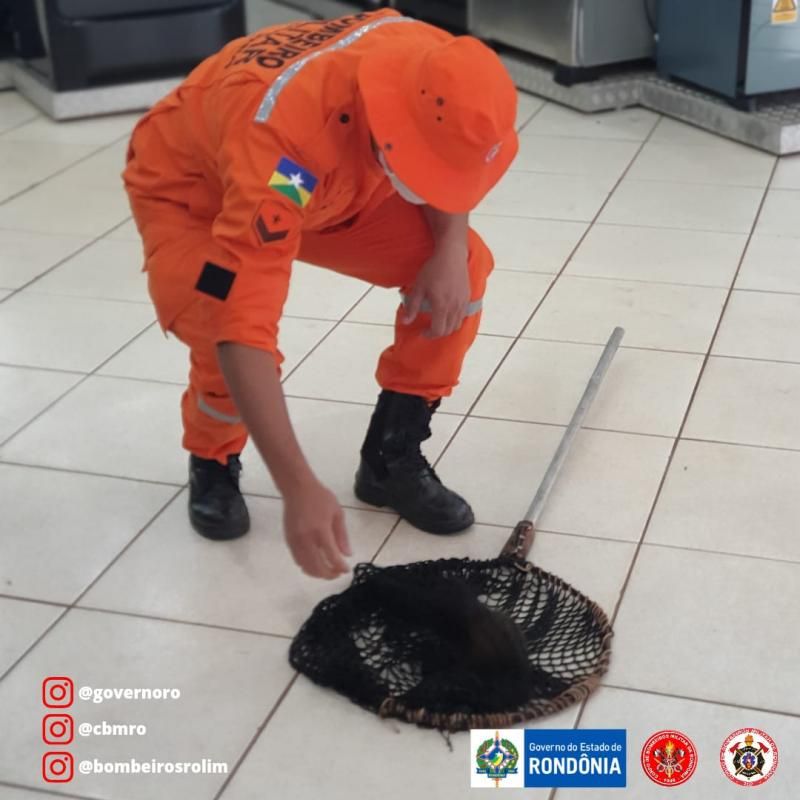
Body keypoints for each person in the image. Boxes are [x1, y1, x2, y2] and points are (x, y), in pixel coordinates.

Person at [123, 7, 518, 580]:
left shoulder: (441, 65)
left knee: (465, 266)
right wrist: (298, 486)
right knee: (217, 314)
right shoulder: (282, 143)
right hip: (199, 200)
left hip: (340, 188)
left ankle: (389, 459)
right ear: (392, 130)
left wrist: (449, 245)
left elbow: (450, 167)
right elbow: (244, 323)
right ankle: (212, 457)